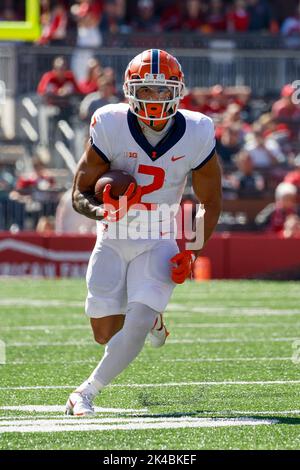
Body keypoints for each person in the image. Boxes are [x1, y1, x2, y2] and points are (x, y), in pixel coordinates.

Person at [66, 49, 222, 416]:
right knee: (106, 333)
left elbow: (209, 201)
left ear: (178, 90)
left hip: (159, 236)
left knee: (134, 323)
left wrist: (193, 249)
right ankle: (154, 318)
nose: (154, 98)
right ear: (129, 90)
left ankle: (84, 394)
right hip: (113, 234)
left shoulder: (197, 130)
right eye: (146, 90)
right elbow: (78, 193)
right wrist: (105, 207)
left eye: (161, 89)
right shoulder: (110, 122)